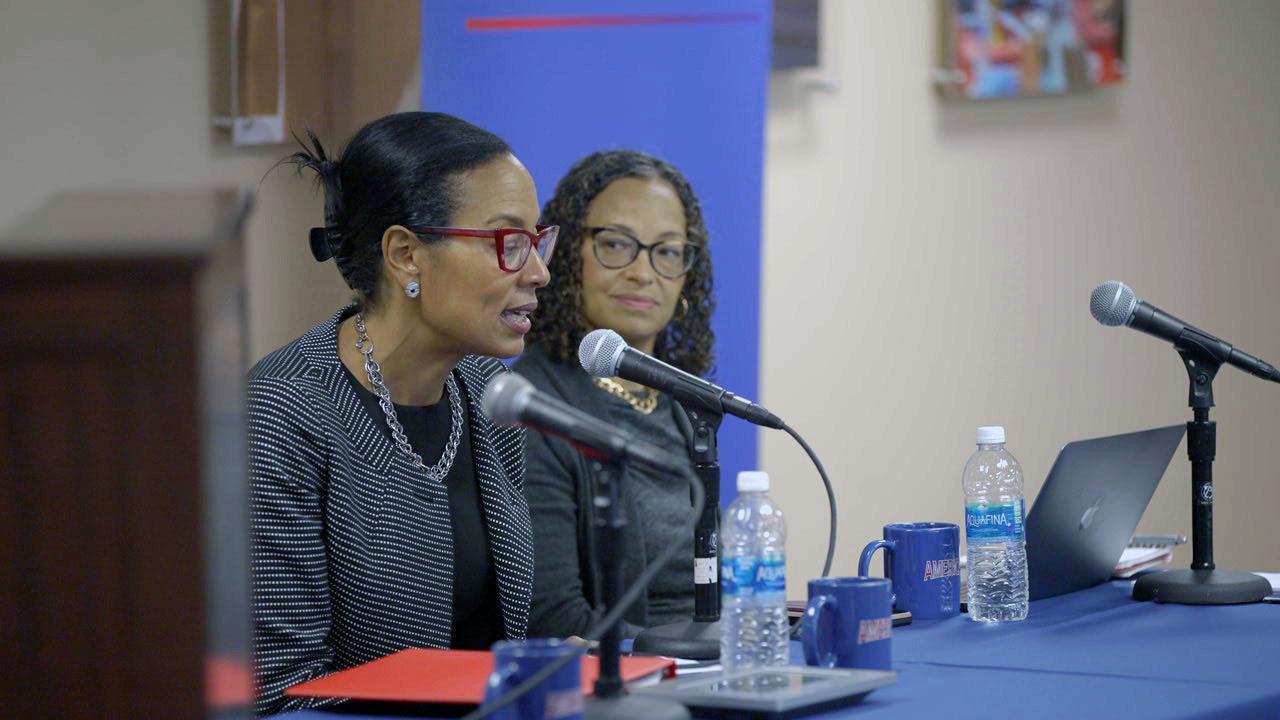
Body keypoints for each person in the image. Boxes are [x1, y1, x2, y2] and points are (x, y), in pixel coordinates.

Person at [248, 112, 556, 715]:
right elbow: (279, 697)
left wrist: (544, 669)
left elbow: (494, 638)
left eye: (537, 241)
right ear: (406, 254)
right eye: (507, 243)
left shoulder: (490, 393)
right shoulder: (283, 414)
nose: (539, 272)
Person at [515, 150, 715, 639]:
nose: (643, 272)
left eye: (667, 251)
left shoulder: (686, 406)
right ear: (565, 257)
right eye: (617, 244)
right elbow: (553, 616)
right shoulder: (534, 406)